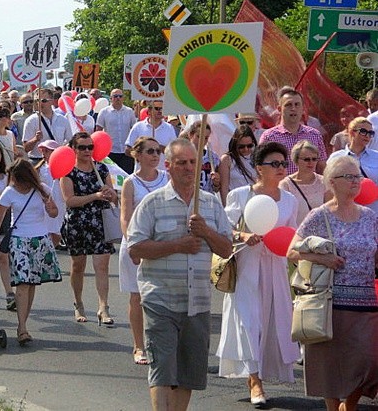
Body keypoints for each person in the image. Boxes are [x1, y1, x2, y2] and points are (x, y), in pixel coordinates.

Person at [127, 138, 233, 411]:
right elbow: (136, 248)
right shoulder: (152, 203)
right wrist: (177, 245)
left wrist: (206, 232)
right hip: (160, 298)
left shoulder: (210, 204)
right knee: (162, 369)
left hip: (197, 301)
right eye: (182, 163)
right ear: (169, 166)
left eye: (192, 162)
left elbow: (227, 249)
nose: (189, 168)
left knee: (187, 373)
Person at [288, 156, 378, 411]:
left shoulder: (370, 217)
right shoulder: (319, 216)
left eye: (357, 176)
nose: (355, 181)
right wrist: (322, 258)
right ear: (332, 182)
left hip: (365, 303)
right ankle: (333, 407)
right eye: (348, 177)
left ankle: (348, 406)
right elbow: (292, 251)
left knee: (368, 362)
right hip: (329, 302)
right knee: (330, 362)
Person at [217, 142, 300, 406]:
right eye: (274, 164)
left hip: (275, 268)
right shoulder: (240, 196)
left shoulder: (290, 200)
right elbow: (223, 229)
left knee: (272, 323)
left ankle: (265, 372)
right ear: (258, 168)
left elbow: (292, 236)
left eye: (283, 164)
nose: (280, 169)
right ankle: (255, 382)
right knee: (249, 323)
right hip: (247, 266)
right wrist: (242, 235)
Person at [0, 159, 61, 346]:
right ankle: (22, 327)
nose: (15, 182)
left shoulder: (42, 189)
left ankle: (23, 323)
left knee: (32, 283)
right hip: (19, 240)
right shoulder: (9, 192)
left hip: (40, 239)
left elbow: (54, 213)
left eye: (17, 179)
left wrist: (50, 207)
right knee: (23, 282)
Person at [119, 136, 168, 365]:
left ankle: (161, 343)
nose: (155, 155)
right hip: (137, 244)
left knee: (162, 297)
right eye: (150, 151)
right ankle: (139, 346)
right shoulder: (130, 182)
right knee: (137, 296)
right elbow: (125, 216)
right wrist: (133, 244)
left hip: (161, 244)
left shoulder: (167, 179)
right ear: (137, 155)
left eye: (157, 151)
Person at [60, 132, 118, 325]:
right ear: (74, 150)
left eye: (90, 147)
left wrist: (110, 194)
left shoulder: (101, 169)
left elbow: (113, 197)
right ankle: (78, 303)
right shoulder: (68, 171)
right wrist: (94, 196)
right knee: (78, 266)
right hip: (78, 223)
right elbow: (69, 200)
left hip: (100, 222)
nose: (87, 151)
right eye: (82, 147)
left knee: (102, 265)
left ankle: (103, 307)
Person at [259, 86, 327, 174]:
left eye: (297, 104)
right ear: (279, 109)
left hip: (309, 186)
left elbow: (321, 167)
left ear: (302, 108)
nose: (293, 108)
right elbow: (262, 167)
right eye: (288, 105)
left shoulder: (314, 134)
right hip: (280, 186)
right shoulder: (269, 137)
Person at [328, 117, 378, 214]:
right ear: (351, 132)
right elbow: (329, 185)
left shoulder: (376, 157)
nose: (367, 135)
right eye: (363, 131)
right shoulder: (336, 157)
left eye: (371, 133)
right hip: (345, 213)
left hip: (373, 212)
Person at [280, 140, 330, 226]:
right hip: (296, 234)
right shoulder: (286, 184)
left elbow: (330, 212)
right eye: (306, 159)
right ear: (296, 160)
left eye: (314, 159)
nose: (311, 162)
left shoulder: (324, 182)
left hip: (320, 235)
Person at [22, 88, 73, 163]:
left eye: (43, 101)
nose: (40, 103)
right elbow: (26, 148)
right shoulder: (31, 121)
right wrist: (35, 139)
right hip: (38, 161)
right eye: (37, 100)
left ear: (52, 101)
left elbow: (70, 141)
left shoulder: (63, 120)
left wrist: (61, 151)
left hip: (57, 160)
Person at [125, 100, 177, 170]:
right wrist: (141, 153)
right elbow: (127, 150)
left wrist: (162, 149)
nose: (160, 111)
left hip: (162, 173)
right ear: (149, 110)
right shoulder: (138, 127)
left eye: (162, 109)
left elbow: (174, 151)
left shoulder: (169, 128)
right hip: (141, 173)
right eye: (157, 108)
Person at [95, 88, 137, 173]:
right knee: (112, 177)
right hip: (110, 151)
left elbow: (134, 130)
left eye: (120, 96)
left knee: (126, 176)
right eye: (115, 96)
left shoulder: (129, 111)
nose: (118, 98)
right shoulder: (104, 112)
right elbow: (98, 131)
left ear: (123, 98)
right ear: (110, 98)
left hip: (126, 152)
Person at [218, 126, 258, 206]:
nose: (246, 149)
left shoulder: (257, 157)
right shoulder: (227, 159)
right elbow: (224, 188)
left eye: (249, 145)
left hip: (255, 202)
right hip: (235, 203)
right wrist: (226, 208)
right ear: (235, 144)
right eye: (241, 146)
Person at [183, 121, 220, 194]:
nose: (202, 140)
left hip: (206, 200)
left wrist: (216, 182)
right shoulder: (181, 156)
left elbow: (216, 189)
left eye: (206, 138)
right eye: (199, 136)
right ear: (190, 135)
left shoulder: (213, 158)